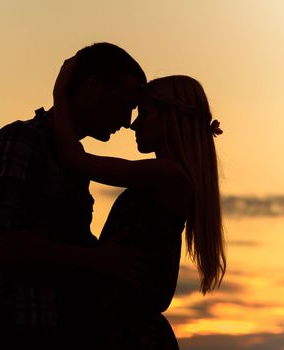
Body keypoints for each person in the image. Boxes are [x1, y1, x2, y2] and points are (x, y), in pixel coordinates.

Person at [0, 43, 151, 350]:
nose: (127, 121)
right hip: (21, 335)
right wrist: (97, 260)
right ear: (93, 86)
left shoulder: (73, 159)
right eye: (125, 103)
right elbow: (1, 243)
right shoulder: (21, 140)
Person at [53, 59, 227, 349]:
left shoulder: (168, 175)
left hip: (131, 335)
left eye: (145, 113)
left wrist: (60, 95)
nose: (134, 122)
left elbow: (76, 160)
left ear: (170, 119)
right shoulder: (168, 176)